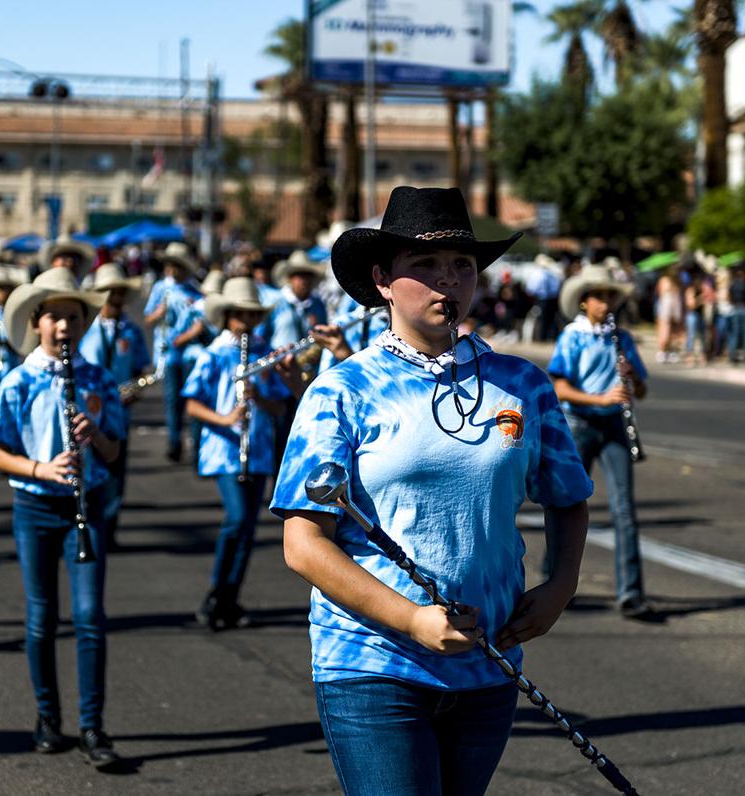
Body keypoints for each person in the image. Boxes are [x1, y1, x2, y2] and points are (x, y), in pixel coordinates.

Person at [272, 187, 593, 795]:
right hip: (370, 664)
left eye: (462, 265)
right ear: (383, 280)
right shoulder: (342, 390)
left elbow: (567, 494)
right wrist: (414, 620)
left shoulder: (522, 383)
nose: (448, 280)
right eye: (425, 265)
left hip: (489, 666)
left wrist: (561, 584)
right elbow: (303, 544)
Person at [0, 268, 125, 767]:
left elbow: (113, 452)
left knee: (89, 618)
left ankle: (94, 726)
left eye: (73, 317)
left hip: (86, 505)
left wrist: (96, 437)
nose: (64, 327)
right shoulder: (19, 380)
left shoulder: (98, 378)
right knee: (42, 617)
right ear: (37, 322)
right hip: (35, 505)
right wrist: (41, 467)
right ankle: (48, 716)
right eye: (55, 318)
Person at [183, 277, 291, 629]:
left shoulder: (263, 352)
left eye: (251, 315)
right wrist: (227, 417)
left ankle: (230, 598)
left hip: (257, 450)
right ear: (227, 315)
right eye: (239, 314)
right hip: (224, 450)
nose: (246, 321)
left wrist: (260, 398)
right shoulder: (213, 354)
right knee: (236, 517)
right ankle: (217, 590)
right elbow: (192, 404)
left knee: (247, 528)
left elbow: (279, 408)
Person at [547, 263, 653, 619]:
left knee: (625, 508)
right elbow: (559, 386)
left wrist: (632, 377)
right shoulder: (572, 337)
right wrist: (599, 399)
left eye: (609, 296)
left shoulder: (621, 338)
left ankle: (631, 593)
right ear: (583, 301)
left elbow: (641, 389)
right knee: (569, 502)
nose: (605, 303)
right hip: (580, 423)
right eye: (598, 296)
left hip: (614, 427)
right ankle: (556, 579)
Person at [78, 263, 149, 547]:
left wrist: (137, 389)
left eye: (119, 292)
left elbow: (142, 367)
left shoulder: (131, 331)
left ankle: (108, 528)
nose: (114, 297)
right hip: (88, 406)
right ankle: (86, 522)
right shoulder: (84, 328)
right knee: (86, 465)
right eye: (109, 292)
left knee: (115, 468)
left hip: (119, 409)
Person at [143, 242, 203, 462]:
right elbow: (148, 318)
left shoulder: (194, 291)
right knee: (172, 399)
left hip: (190, 352)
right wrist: (160, 312)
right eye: (171, 264)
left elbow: (202, 321)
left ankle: (195, 446)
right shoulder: (161, 288)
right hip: (168, 352)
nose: (173, 269)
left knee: (193, 398)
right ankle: (174, 441)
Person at [727, 263, 745, 364]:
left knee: (735, 333)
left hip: (736, 308)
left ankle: (733, 354)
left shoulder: (733, 284)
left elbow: (729, 298)